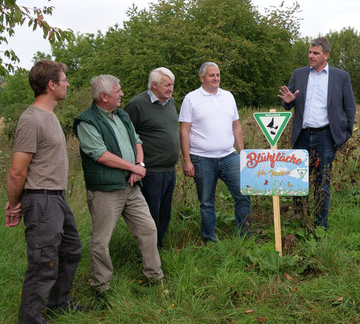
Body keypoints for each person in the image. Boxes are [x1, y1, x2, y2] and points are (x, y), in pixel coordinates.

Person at [5, 60, 83, 324]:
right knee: (42, 264)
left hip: (56, 199)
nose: (68, 84)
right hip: (41, 200)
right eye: (64, 79)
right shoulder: (32, 119)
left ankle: (59, 302)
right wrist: (14, 205)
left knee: (71, 249)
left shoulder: (49, 116)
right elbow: (17, 172)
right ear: (51, 85)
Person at [73, 75, 163, 294]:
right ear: (104, 96)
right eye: (118, 91)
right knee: (101, 241)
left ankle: (154, 277)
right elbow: (101, 155)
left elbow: (137, 141)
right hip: (105, 191)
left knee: (149, 230)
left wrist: (138, 164)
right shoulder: (86, 122)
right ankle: (101, 287)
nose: (122, 94)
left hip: (131, 187)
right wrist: (132, 168)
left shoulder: (121, 115)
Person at [278, 37, 356, 229]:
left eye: (316, 53)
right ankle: (300, 223)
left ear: (326, 55)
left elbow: (350, 109)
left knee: (322, 184)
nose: (311, 56)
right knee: (297, 183)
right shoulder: (299, 74)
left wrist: (342, 137)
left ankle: (320, 228)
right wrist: (288, 101)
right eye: (310, 52)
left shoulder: (341, 76)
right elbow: (287, 104)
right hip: (301, 136)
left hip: (325, 137)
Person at [179, 62, 251, 243]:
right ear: (202, 77)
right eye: (212, 75)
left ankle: (244, 236)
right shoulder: (191, 99)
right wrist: (187, 160)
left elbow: (236, 126)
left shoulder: (228, 97)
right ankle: (210, 239)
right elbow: (184, 131)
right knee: (207, 202)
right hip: (202, 159)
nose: (216, 78)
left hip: (229, 156)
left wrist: (242, 153)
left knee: (243, 195)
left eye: (218, 75)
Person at [124, 67, 180, 249]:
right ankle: (148, 251)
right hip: (150, 171)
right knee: (150, 215)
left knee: (165, 214)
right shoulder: (137, 105)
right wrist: (134, 165)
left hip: (169, 169)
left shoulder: (171, 103)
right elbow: (127, 136)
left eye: (172, 84)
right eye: (167, 85)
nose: (171, 88)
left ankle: (158, 248)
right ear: (154, 85)